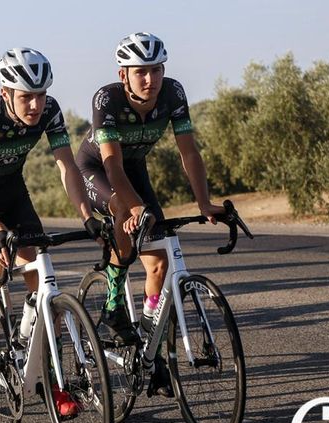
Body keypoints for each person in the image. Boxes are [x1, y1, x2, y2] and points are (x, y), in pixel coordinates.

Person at [0, 48, 99, 417]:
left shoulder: (50, 110)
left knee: (39, 269)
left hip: (13, 190)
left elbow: (66, 167)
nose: (35, 104)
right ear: (6, 93)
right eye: (25, 96)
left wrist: (87, 216)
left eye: (41, 94)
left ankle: (50, 375)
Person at [76, 32, 224, 397]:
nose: (150, 79)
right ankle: (112, 304)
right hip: (99, 169)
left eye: (156, 70)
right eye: (140, 71)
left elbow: (188, 153)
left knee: (158, 262)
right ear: (123, 74)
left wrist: (204, 203)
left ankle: (151, 346)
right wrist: (132, 206)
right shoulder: (107, 98)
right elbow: (111, 164)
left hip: (135, 166)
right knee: (123, 216)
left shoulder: (174, 93)